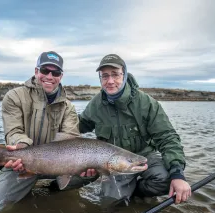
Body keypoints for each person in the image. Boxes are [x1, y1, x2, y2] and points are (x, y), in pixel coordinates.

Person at [78, 54, 191, 204]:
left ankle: (136, 191)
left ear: (124, 75)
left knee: (166, 179)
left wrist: (178, 174)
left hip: (144, 157)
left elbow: (167, 137)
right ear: (100, 79)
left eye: (115, 75)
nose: (110, 81)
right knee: (111, 203)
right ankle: (123, 193)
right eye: (105, 76)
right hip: (113, 163)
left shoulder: (146, 103)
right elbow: (77, 126)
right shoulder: (95, 105)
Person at [0, 51, 88, 205]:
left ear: (61, 76)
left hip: (58, 165)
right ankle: (26, 182)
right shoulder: (13, 97)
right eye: (45, 70)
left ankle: (55, 189)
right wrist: (21, 146)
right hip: (21, 163)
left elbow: (71, 139)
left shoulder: (68, 108)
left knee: (93, 171)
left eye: (55, 72)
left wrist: (84, 165)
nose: (50, 76)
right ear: (36, 71)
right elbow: (13, 131)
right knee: (0, 206)